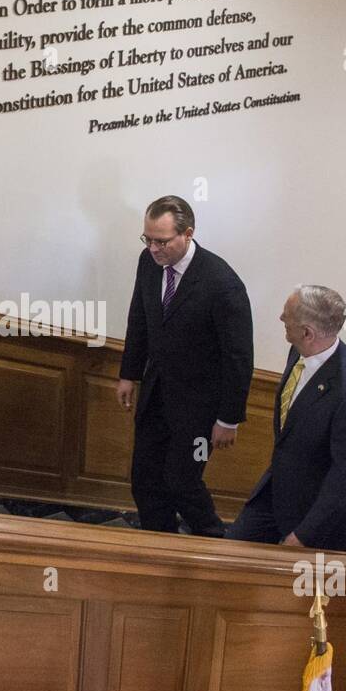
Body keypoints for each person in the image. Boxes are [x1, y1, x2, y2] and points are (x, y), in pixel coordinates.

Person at [116, 196, 253, 536]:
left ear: (188, 233)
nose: (153, 248)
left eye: (161, 241)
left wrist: (228, 418)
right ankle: (161, 546)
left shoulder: (222, 284)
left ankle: (212, 543)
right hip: (157, 396)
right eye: (147, 239)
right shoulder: (148, 263)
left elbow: (238, 357)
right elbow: (140, 319)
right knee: (144, 480)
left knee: (182, 482)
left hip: (199, 410)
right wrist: (129, 373)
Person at [226, 285, 346, 551]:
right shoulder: (298, 351)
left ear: (307, 333)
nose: (281, 319)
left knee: (308, 589)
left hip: (320, 515)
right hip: (279, 490)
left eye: (287, 317)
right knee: (231, 553)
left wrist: (305, 535)